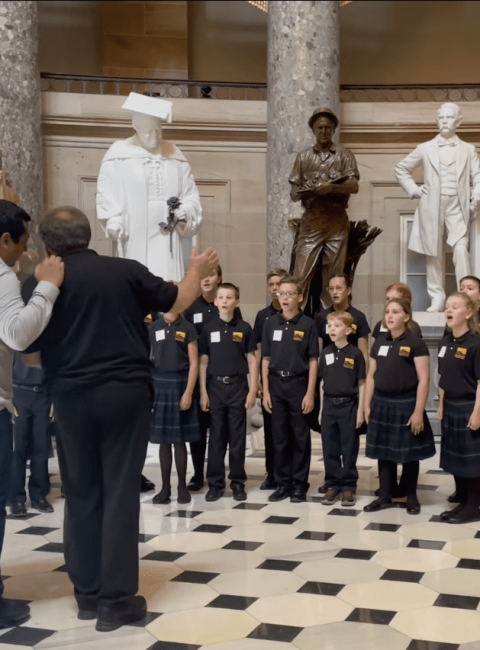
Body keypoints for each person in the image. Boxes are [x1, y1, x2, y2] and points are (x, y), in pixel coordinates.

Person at [22, 206, 218, 632]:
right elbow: (177, 301)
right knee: (119, 492)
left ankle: (88, 594)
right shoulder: (124, 271)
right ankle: (116, 601)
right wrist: (196, 270)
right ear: (88, 234)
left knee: (80, 492)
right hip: (124, 394)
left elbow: (28, 350)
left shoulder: (39, 282)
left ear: (47, 242)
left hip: (69, 396)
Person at [0, 200, 64, 628]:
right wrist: (46, 287)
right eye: (22, 243)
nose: (25, 251)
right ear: (5, 239)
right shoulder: (2, 275)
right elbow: (19, 334)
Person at [97, 92, 202, 281]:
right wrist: (113, 219)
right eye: (149, 131)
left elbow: (190, 194)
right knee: (137, 276)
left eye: (158, 131)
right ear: (137, 127)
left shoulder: (174, 154)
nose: (155, 136)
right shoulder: (119, 154)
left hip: (167, 235)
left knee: (167, 278)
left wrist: (185, 211)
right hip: (135, 230)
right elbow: (107, 191)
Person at [395, 103, 480, 312]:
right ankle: (437, 298)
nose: (444, 121)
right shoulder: (425, 148)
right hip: (431, 205)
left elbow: (478, 176)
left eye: (449, 117)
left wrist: (475, 200)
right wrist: (414, 189)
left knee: (460, 250)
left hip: (458, 205)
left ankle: (464, 297)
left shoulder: (468, 149)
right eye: (441, 118)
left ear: (458, 121)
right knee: (433, 252)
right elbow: (401, 169)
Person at [364, 298, 435, 515]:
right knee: (383, 453)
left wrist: (418, 411)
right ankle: (384, 496)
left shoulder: (415, 343)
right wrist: (367, 404)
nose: (390, 316)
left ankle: (411, 497)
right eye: (387, 312)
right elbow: (371, 375)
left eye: (395, 312)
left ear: (406, 316)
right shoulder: (379, 343)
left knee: (409, 454)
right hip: (381, 403)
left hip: (406, 403)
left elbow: (424, 379)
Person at [289, 107, 359, 314]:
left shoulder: (344, 155)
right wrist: (308, 189)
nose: (324, 131)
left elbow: (354, 185)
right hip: (312, 221)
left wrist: (331, 188)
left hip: (336, 221)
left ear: (334, 129)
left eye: (328, 127)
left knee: (334, 277)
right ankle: (293, 318)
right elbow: (293, 194)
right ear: (313, 129)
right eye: (319, 128)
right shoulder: (303, 157)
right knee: (300, 274)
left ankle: (334, 319)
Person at [184, 264, 241, 491]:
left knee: (222, 430)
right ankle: (199, 474)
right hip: (200, 375)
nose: (206, 279)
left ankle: (226, 472)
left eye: (211, 275)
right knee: (199, 429)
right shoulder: (192, 307)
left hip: (223, 378)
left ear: (219, 278)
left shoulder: (227, 306)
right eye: (203, 275)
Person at [262, 275, 319, 503]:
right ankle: (283, 482)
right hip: (276, 384)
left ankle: (299, 484)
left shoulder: (308, 324)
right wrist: (265, 391)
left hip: (299, 384)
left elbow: (313, 360)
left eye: (289, 294)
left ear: (300, 297)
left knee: (300, 437)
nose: (284, 298)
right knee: (279, 437)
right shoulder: (270, 323)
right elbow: (265, 359)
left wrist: (310, 392)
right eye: (281, 293)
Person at [199, 283, 257, 502]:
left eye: (229, 297)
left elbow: (252, 360)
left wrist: (253, 389)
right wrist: (203, 391)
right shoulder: (208, 329)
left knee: (237, 438)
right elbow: (203, 361)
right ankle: (215, 483)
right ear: (215, 301)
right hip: (214, 388)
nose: (224, 301)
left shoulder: (244, 328)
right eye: (221, 297)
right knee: (216, 438)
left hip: (237, 388)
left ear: (237, 302)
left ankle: (238, 482)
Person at [149, 309, 200, 505]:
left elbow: (194, 362)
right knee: (163, 441)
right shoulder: (153, 327)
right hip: (159, 385)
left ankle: (182, 487)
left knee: (179, 440)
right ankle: (165, 488)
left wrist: (188, 392)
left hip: (180, 384)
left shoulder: (187, 328)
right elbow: (147, 359)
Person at [438, 292, 480, 524]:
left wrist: (477, 412)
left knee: (471, 460)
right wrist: (441, 403)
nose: (449, 310)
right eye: (447, 306)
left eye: (455, 306)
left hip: (469, 405)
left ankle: (473, 506)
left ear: (469, 313)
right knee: (455, 458)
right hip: (450, 406)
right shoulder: (445, 342)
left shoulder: (475, 344)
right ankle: (462, 502)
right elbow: (442, 376)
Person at [319, 311, 365, 507]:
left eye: (337, 326)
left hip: (348, 406)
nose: (332, 329)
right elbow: (322, 381)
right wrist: (321, 409)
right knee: (330, 447)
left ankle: (348, 485)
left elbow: (362, 384)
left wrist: (361, 411)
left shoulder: (355, 354)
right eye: (330, 326)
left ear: (348, 330)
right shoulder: (325, 353)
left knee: (348, 447)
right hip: (329, 405)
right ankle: (333, 483)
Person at [252, 268, 287, 490]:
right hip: (269, 379)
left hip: (290, 380)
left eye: (279, 284)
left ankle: (288, 473)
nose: (275, 288)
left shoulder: (295, 314)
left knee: (288, 431)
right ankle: (271, 473)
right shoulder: (263, 316)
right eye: (272, 284)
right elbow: (258, 349)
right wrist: (257, 379)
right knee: (271, 429)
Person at [9, 353, 53, 516]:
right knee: (18, 450)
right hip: (18, 393)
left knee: (41, 448)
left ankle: (39, 496)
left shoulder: (46, 338)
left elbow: (55, 363)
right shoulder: (15, 339)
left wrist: (54, 399)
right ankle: (16, 498)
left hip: (44, 394)